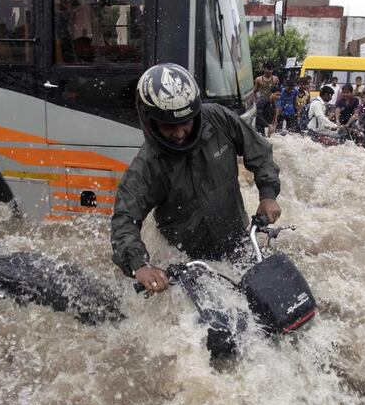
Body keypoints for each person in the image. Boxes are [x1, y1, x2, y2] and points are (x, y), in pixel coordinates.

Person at [111, 63, 281, 294]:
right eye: (169, 126)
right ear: (149, 121)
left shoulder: (219, 119)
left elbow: (259, 151)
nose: (180, 133)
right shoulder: (147, 166)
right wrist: (140, 266)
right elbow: (124, 219)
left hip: (237, 241)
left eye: (186, 122)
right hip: (189, 263)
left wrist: (268, 195)